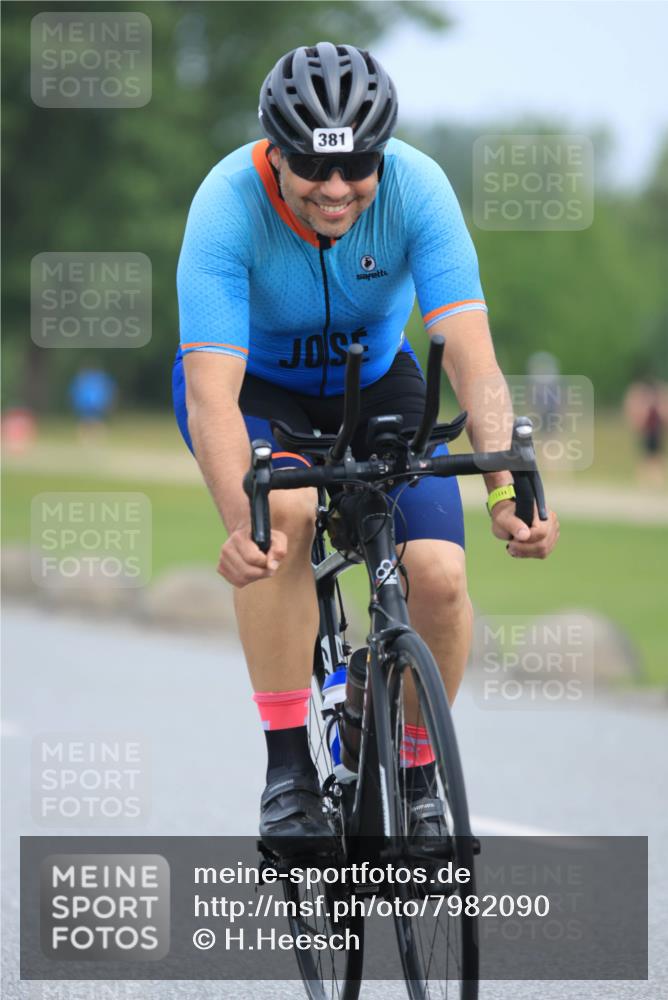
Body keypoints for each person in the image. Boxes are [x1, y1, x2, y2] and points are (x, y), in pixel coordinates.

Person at [172, 42, 560, 853]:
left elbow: (474, 356)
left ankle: (418, 779)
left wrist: (507, 492)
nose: (339, 190)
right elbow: (211, 391)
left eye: (359, 168)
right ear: (274, 152)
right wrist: (238, 521)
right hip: (256, 396)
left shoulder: (419, 189)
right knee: (282, 519)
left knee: (441, 578)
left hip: (378, 384)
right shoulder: (224, 205)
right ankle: (288, 776)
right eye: (315, 168)